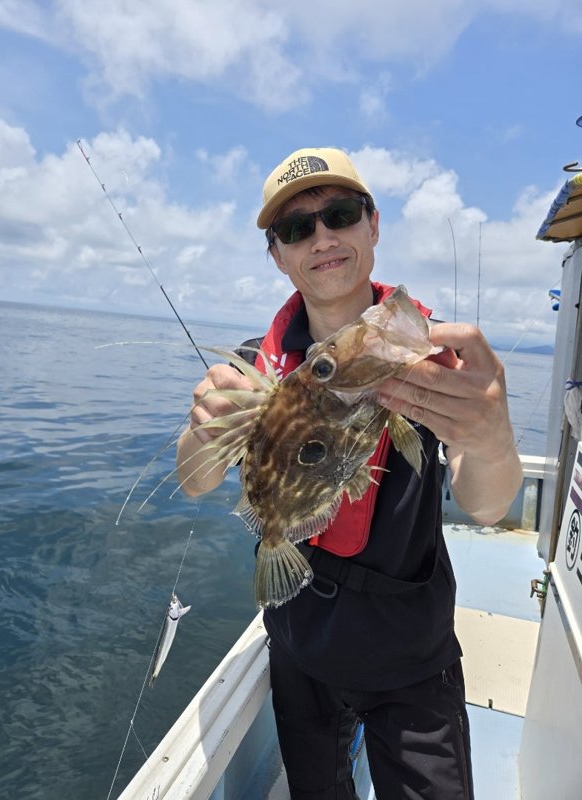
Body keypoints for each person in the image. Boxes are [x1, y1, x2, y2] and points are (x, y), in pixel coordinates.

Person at [177, 147, 523, 800]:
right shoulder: (258, 370)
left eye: (339, 214)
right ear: (277, 255)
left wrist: (493, 439)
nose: (323, 237)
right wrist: (202, 432)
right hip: (300, 650)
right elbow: (195, 480)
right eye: (296, 228)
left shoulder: (434, 361)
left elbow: (486, 505)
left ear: (373, 224)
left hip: (412, 658)